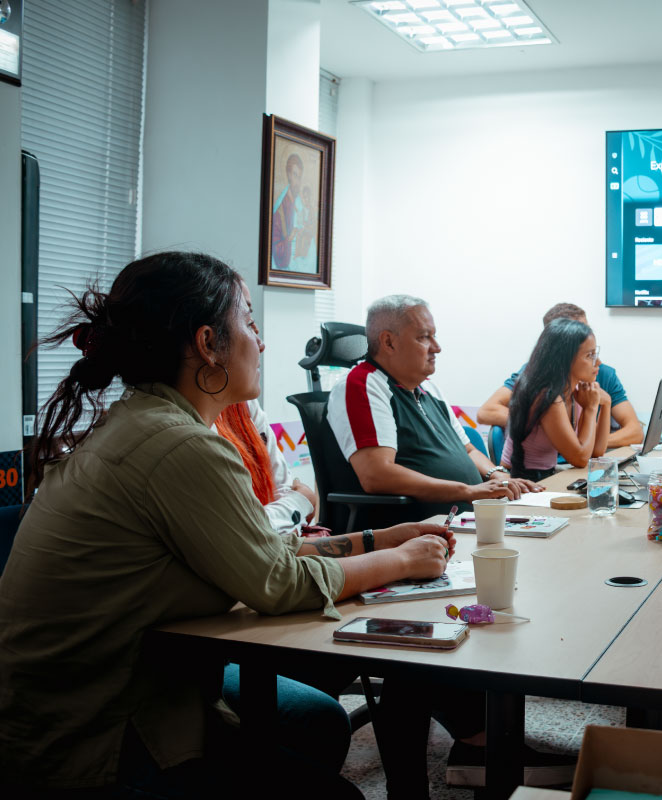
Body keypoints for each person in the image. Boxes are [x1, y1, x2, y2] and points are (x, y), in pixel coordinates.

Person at [0, 252, 455, 799]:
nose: (261, 343)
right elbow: (279, 583)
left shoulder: (151, 421)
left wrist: (375, 539)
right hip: (94, 727)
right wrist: (402, 561)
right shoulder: (181, 445)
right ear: (207, 343)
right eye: (250, 323)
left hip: (124, 681)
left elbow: (263, 552)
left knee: (318, 722)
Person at [326, 295, 543, 527]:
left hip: (464, 520)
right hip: (413, 532)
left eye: (434, 336)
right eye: (424, 337)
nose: (437, 348)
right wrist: (468, 491)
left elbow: (468, 451)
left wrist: (497, 475)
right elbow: (377, 475)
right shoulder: (363, 385)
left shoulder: (428, 388)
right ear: (388, 342)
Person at [478, 302, 643, 448]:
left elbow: (635, 432)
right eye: (577, 332)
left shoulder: (602, 373)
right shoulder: (533, 375)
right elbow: (486, 412)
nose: (587, 336)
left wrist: (589, 441)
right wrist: (547, 425)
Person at [502, 318, 611, 480]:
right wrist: (591, 408)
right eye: (590, 355)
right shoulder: (547, 397)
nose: (599, 362)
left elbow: (595, 452)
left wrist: (606, 403)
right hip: (522, 482)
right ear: (565, 359)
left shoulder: (575, 391)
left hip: (547, 476)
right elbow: (580, 459)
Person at [215, 398, 320, 533]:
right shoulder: (197, 432)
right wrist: (301, 502)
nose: (257, 375)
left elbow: (282, 489)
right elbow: (241, 530)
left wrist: (293, 509)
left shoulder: (246, 403)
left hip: (273, 546)